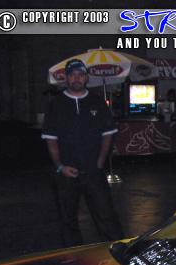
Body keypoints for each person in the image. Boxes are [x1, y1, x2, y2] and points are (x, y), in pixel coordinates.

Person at [42, 58, 124, 247]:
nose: (76, 78)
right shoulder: (56, 104)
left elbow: (108, 133)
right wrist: (60, 166)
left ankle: (118, 252)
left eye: (80, 74)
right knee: (67, 219)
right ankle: (73, 255)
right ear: (66, 78)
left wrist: (100, 162)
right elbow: (51, 139)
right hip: (66, 173)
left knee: (106, 216)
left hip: (94, 171)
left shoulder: (97, 102)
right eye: (72, 75)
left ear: (86, 78)